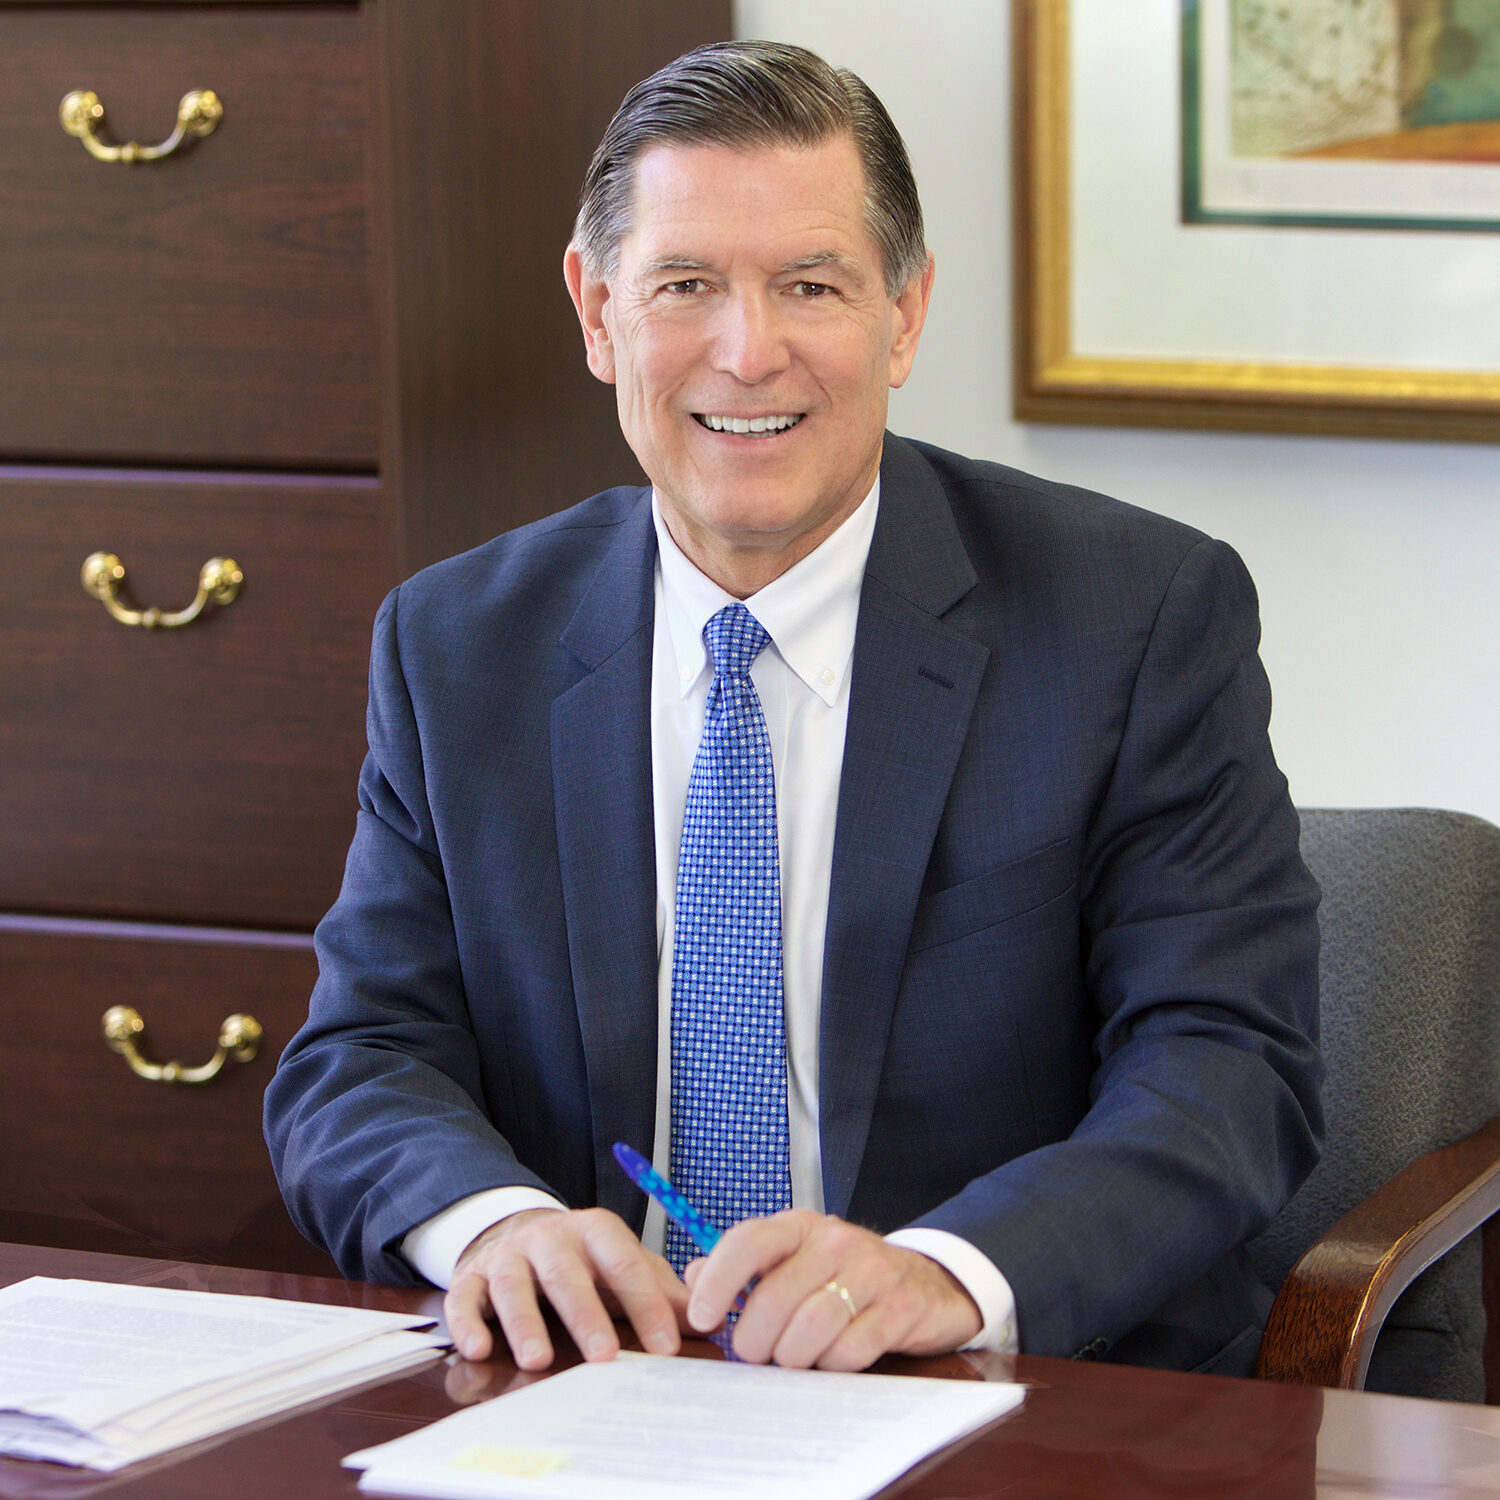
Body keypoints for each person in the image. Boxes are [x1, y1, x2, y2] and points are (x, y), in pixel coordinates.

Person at [265, 39, 1322, 1380]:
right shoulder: (459, 643)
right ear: (597, 312)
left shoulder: (1136, 618)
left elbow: (1231, 1066)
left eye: (810, 286)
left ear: (905, 315)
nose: (747, 352)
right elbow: (359, 1058)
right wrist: (494, 1226)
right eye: (686, 286)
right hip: (596, 1396)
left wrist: (948, 1274)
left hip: (1009, 1388)